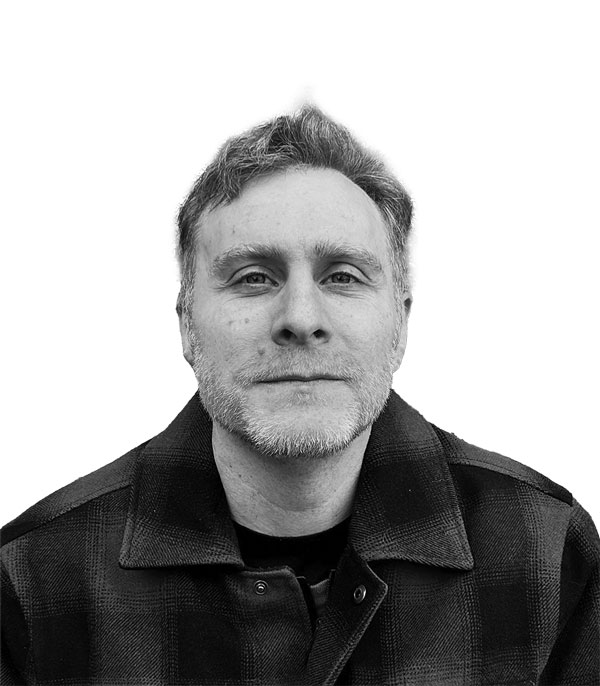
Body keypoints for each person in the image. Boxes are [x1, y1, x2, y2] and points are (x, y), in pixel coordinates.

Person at [1, 106, 598, 685]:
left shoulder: (546, 553)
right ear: (186, 323)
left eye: (343, 276)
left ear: (400, 321)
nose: (301, 318)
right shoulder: (33, 580)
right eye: (253, 278)